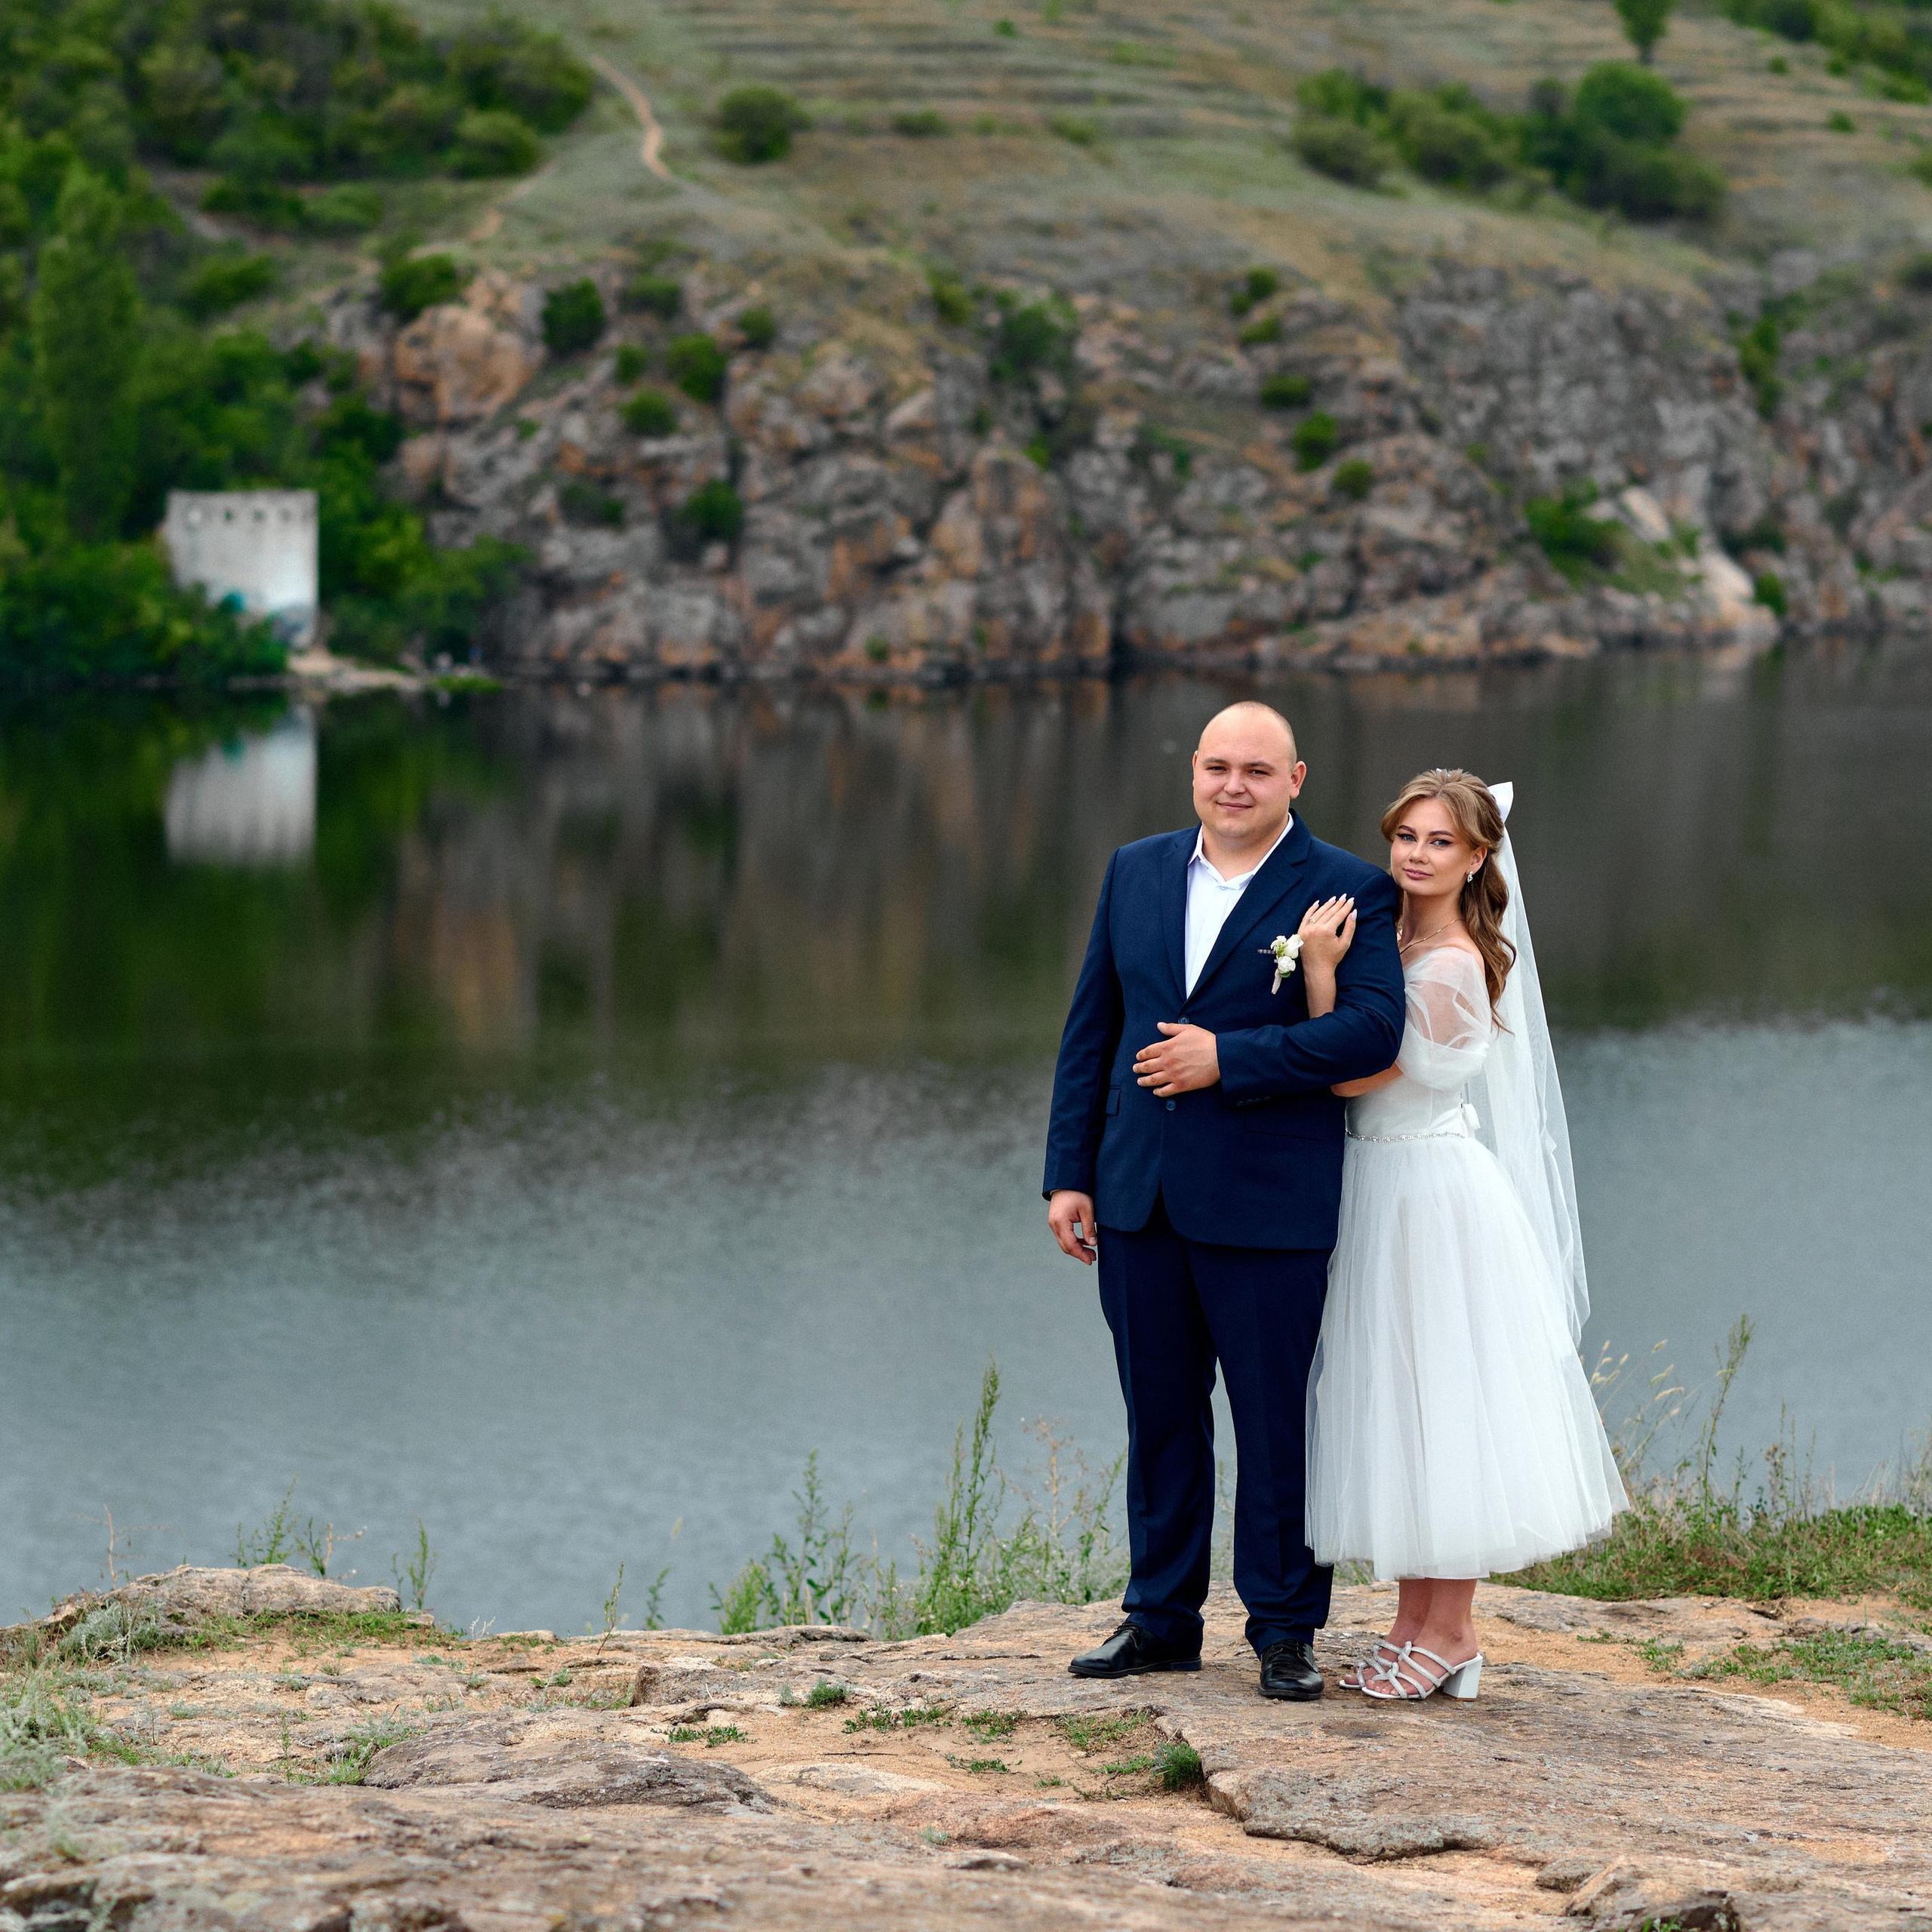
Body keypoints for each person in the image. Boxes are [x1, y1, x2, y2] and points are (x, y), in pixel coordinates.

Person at [1041, 702, 1405, 1700]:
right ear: (1193, 772)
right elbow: (1093, 1030)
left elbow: (1372, 1037)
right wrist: (1068, 1173)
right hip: (1138, 1195)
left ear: (1296, 780)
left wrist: (1225, 1060)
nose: (1232, 785)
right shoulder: (1137, 870)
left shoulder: (1346, 888)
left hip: (1268, 1203)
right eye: (1216, 767)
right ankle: (1159, 1620)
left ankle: (1286, 1630)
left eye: (1256, 769)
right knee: (1159, 1416)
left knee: (1277, 1421)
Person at [1297, 769, 1626, 1702]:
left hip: (1427, 1193)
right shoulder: (1396, 934)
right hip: (1380, 1185)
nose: (1415, 854)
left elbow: (1355, 1074)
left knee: (1441, 1396)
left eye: (1439, 842)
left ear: (1478, 856)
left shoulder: (1446, 964)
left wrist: (1319, 972)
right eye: (1405, 835)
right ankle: (1415, 1618)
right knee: (1401, 1401)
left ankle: (1454, 1629)